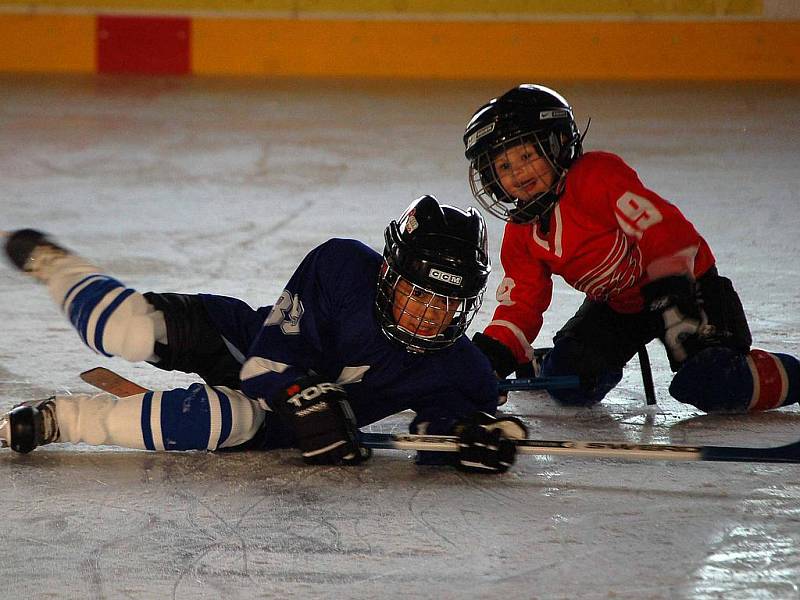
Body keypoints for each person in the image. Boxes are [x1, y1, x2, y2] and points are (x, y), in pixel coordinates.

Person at [0, 195, 527, 473]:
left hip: (272, 419)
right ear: (389, 274)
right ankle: (58, 268)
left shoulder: (461, 368)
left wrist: (470, 443)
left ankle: (59, 420)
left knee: (221, 420)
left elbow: (436, 429)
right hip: (242, 338)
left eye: (445, 301)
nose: (427, 315)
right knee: (128, 331)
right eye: (417, 292)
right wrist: (305, 397)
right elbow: (266, 365)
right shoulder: (343, 266)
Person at [462, 84, 799, 412]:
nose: (518, 172)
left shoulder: (595, 177)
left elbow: (662, 227)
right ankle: (547, 363)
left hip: (686, 286)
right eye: (503, 166)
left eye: (526, 154)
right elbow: (521, 302)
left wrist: (671, 293)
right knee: (570, 382)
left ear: (558, 144)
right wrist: (493, 359)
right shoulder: (521, 231)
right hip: (619, 307)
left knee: (711, 381)